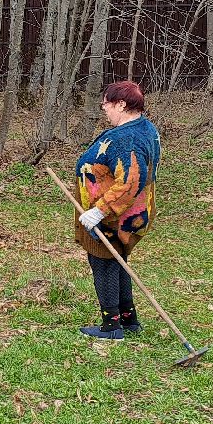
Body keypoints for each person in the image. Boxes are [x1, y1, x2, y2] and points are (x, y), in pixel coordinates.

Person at [73, 80, 161, 340]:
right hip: (130, 214)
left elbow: (131, 181)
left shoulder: (127, 138)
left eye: (107, 104)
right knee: (118, 261)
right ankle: (128, 319)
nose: (104, 109)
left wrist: (100, 211)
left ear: (121, 104)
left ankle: (111, 326)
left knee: (103, 262)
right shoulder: (144, 127)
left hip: (114, 218)